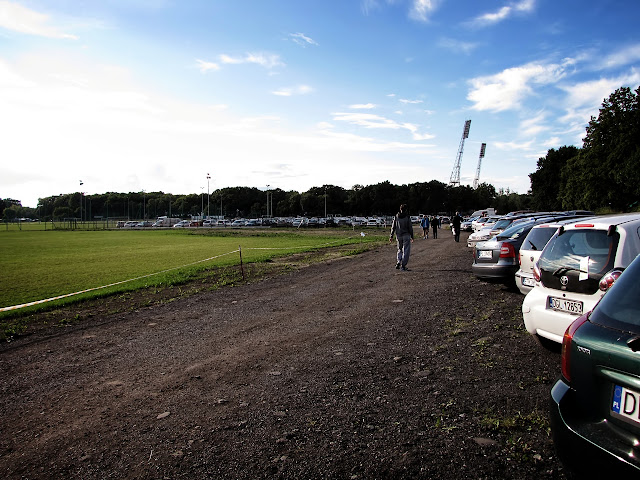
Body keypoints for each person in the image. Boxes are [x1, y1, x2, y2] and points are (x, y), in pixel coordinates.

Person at [389, 204, 414, 271]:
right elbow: (410, 227)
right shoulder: (407, 217)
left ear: (400, 209)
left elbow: (393, 226)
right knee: (406, 250)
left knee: (399, 249)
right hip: (406, 235)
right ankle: (403, 265)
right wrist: (412, 236)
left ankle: (398, 262)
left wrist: (391, 235)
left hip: (398, 235)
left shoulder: (396, 216)